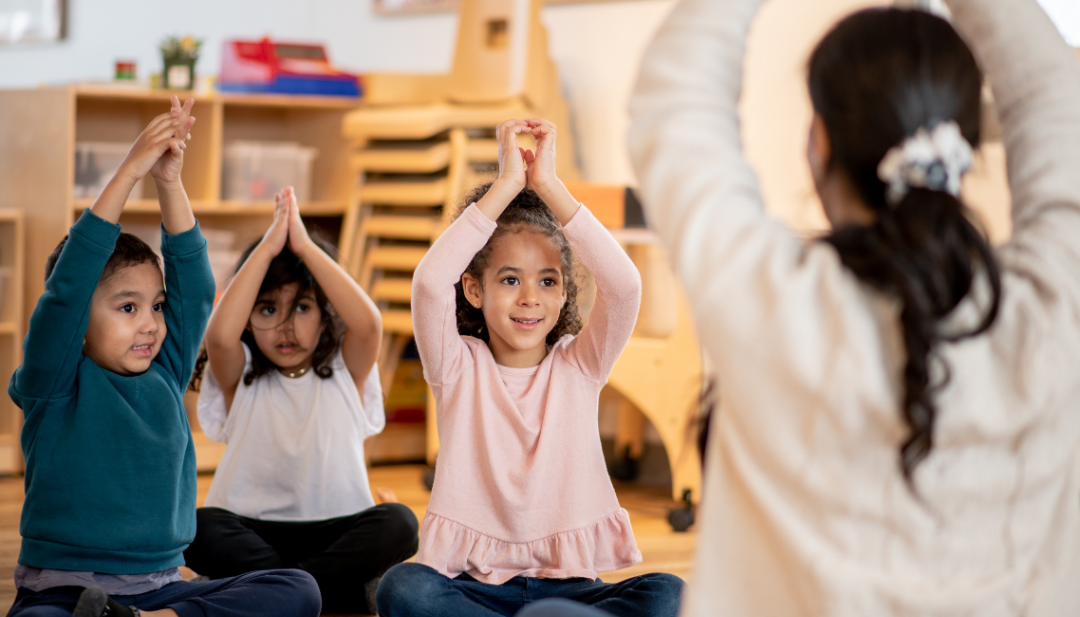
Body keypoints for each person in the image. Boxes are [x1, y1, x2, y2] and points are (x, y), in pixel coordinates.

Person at [624, 0, 1080, 613]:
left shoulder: (771, 298)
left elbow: (674, 89)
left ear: (820, 144)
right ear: (967, 148)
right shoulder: (1051, 308)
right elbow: (1055, 94)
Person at [7, 97, 321, 617]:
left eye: (154, 306)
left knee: (298, 591)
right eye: (127, 307)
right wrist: (130, 170)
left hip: (161, 591)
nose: (151, 323)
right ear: (78, 326)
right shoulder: (53, 381)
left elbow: (194, 287)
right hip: (61, 594)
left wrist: (169, 182)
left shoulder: (165, 371)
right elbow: (65, 294)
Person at [375, 118, 684, 617]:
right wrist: (505, 187)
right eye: (510, 279)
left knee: (670, 593)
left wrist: (550, 187)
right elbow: (431, 284)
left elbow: (625, 287)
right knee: (404, 588)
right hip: (474, 588)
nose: (529, 299)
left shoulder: (581, 365)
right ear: (474, 289)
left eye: (546, 282)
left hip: (572, 589)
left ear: (564, 292)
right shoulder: (456, 366)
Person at [182, 186, 419, 615]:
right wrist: (271, 245)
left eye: (302, 307)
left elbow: (368, 324)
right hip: (252, 531)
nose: (286, 327)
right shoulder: (241, 374)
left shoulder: (347, 371)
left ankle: (272, 593)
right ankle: (321, 591)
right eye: (268, 310)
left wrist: (305, 246)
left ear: (326, 311)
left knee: (400, 523)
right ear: (249, 320)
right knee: (195, 528)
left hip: (335, 530)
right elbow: (219, 335)